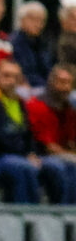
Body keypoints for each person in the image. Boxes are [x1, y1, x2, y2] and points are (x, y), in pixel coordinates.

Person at [0, 59, 43, 204]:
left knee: (60, 167)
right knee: (25, 167)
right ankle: (24, 212)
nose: (11, 81)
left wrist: (32, 152)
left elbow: (27, 132)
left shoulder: (18, 100)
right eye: (6, 75)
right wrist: (24, 155)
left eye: (16, 77)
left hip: (18, 154)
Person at [27, 65, 76, 204]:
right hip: (39, 155)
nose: (66, 88)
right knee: (65, 166)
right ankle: (64, 211)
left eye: (69, 83)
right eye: (62, 82)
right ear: (51, 82)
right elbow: (49, 148)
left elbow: (71, 143)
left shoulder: (69, 110)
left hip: (62, 155)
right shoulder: (37, 106)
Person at [9, 1, 53, 93]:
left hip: (45, 86)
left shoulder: (43, 43)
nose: (38, 24)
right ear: (22, 20)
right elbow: (23, 72)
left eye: (42, 20)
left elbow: (48, 70)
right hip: (25, 86)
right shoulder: (14, 42)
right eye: (33, 19)